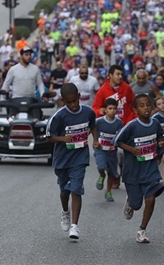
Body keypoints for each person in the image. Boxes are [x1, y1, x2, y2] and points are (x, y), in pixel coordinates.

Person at [45, 83, 97, 240]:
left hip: (80, 157)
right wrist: (62, 138)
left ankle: (74, 226)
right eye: (69, 102)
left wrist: (95, 140)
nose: (73, 105)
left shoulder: (88, 112)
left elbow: (93, 126)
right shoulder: (59, 117)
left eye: (75, 100)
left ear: (79, 96)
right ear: (62, 101)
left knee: (76, 189)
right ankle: (65, 211)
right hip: (62, 159)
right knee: (64, 191)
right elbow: (49, 136)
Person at [113, 93, 164, 244]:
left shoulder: (155, 123)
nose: (146, 108)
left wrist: (161, 142)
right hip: (133, 171)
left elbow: (160, 136)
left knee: (150, 198)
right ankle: (130, 201)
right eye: (142, 106)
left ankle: (142, 230)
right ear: (135, 110)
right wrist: (130, 149)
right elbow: (117, 141)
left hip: (150, 168)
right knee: (137, 205)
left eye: (148, 105)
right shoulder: (132, 125)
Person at [94, 98, 123, 202]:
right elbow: (93, 131)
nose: (112, 111)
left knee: (111, 172)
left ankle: (108, 191)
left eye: (115, 108)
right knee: (101, 166)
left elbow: (120, 136)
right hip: (100, 149)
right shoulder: (99, 121)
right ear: (105, 110)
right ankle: (101, 176)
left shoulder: (119, 122)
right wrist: (95, 141)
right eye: (110, 108)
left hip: (112, 151)